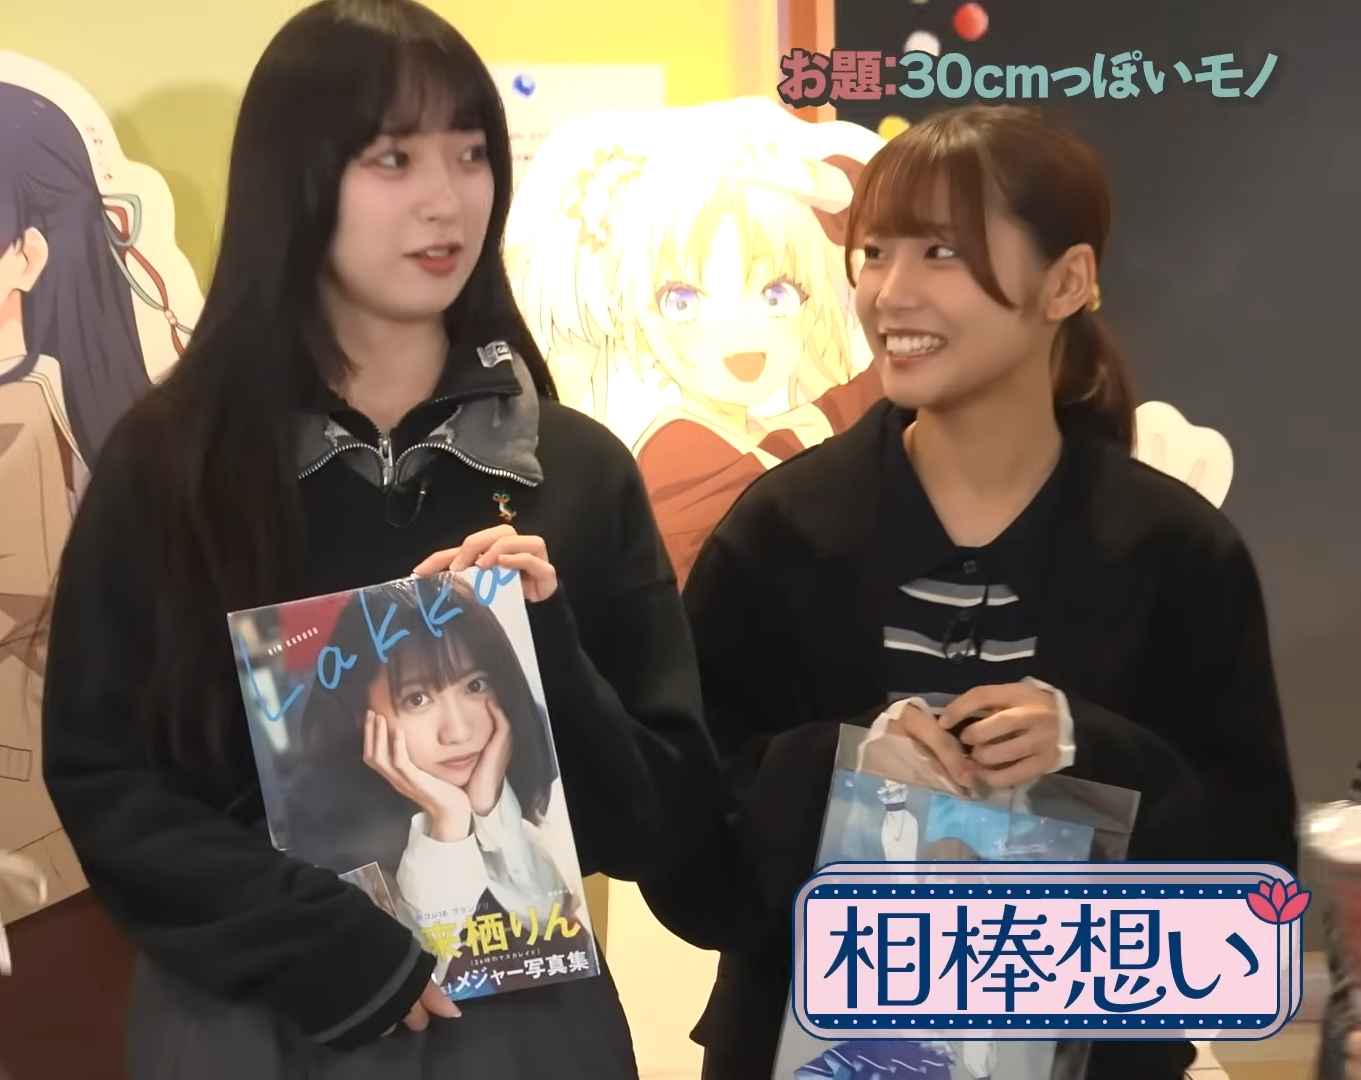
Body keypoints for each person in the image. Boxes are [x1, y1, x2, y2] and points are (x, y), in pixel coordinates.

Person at [39, 0, 715, 1076]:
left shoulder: (574, 470)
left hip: (527, 1026)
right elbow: (104, 777)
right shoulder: (172, 468)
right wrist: (324, 943)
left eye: (471, 153)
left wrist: (544, 650)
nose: (446, 198)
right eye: (393, 158)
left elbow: (664, 820)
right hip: (259, 1019)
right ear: (296, 179)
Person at [639, 104, 1297, 1080]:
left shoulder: (1173, 550)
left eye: (941, 253)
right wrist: (841, 768)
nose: (889, 293)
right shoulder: (781, 532)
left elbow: (1255, 890)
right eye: (874, 253)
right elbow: (687, 867)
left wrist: (1087, 750)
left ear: (1065, 281)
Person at [505, 99, 885, 584]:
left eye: (777, 292)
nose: (743, 331)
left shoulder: (782, 430)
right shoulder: (680, 455)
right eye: (682, 300)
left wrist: (832, 195)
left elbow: (872, 390)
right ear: (631, 311)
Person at [286, 575, 586, 982]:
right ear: (359, 714)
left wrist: (488, 810)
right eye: (417, 698)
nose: (458, 732)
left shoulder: (527, 769)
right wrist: (447, 826)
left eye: (475, 685)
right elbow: (417, 979)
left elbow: (552, 918)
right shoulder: (324, 841)